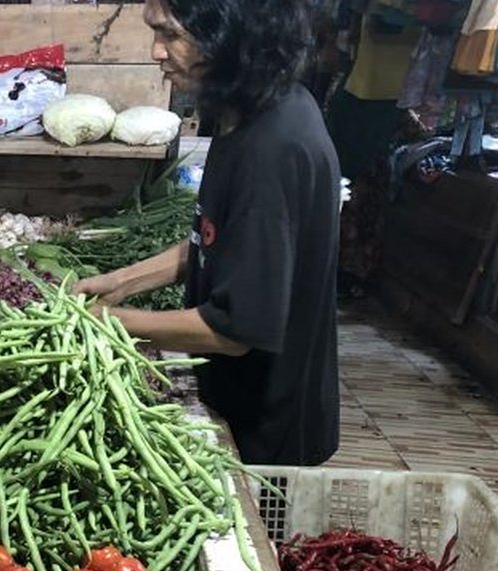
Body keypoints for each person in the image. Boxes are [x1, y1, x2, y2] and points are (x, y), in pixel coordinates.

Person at [75, 0, 341, 466]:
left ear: (232, 34)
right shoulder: (256, 108)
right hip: (244, 400)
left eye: (171, 35)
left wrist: (104, 322)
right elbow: (219, 242)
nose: (157, 52)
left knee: (256, 533)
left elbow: (235, 330)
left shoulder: (272, 149)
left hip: (266, 430)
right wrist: (120, 283)